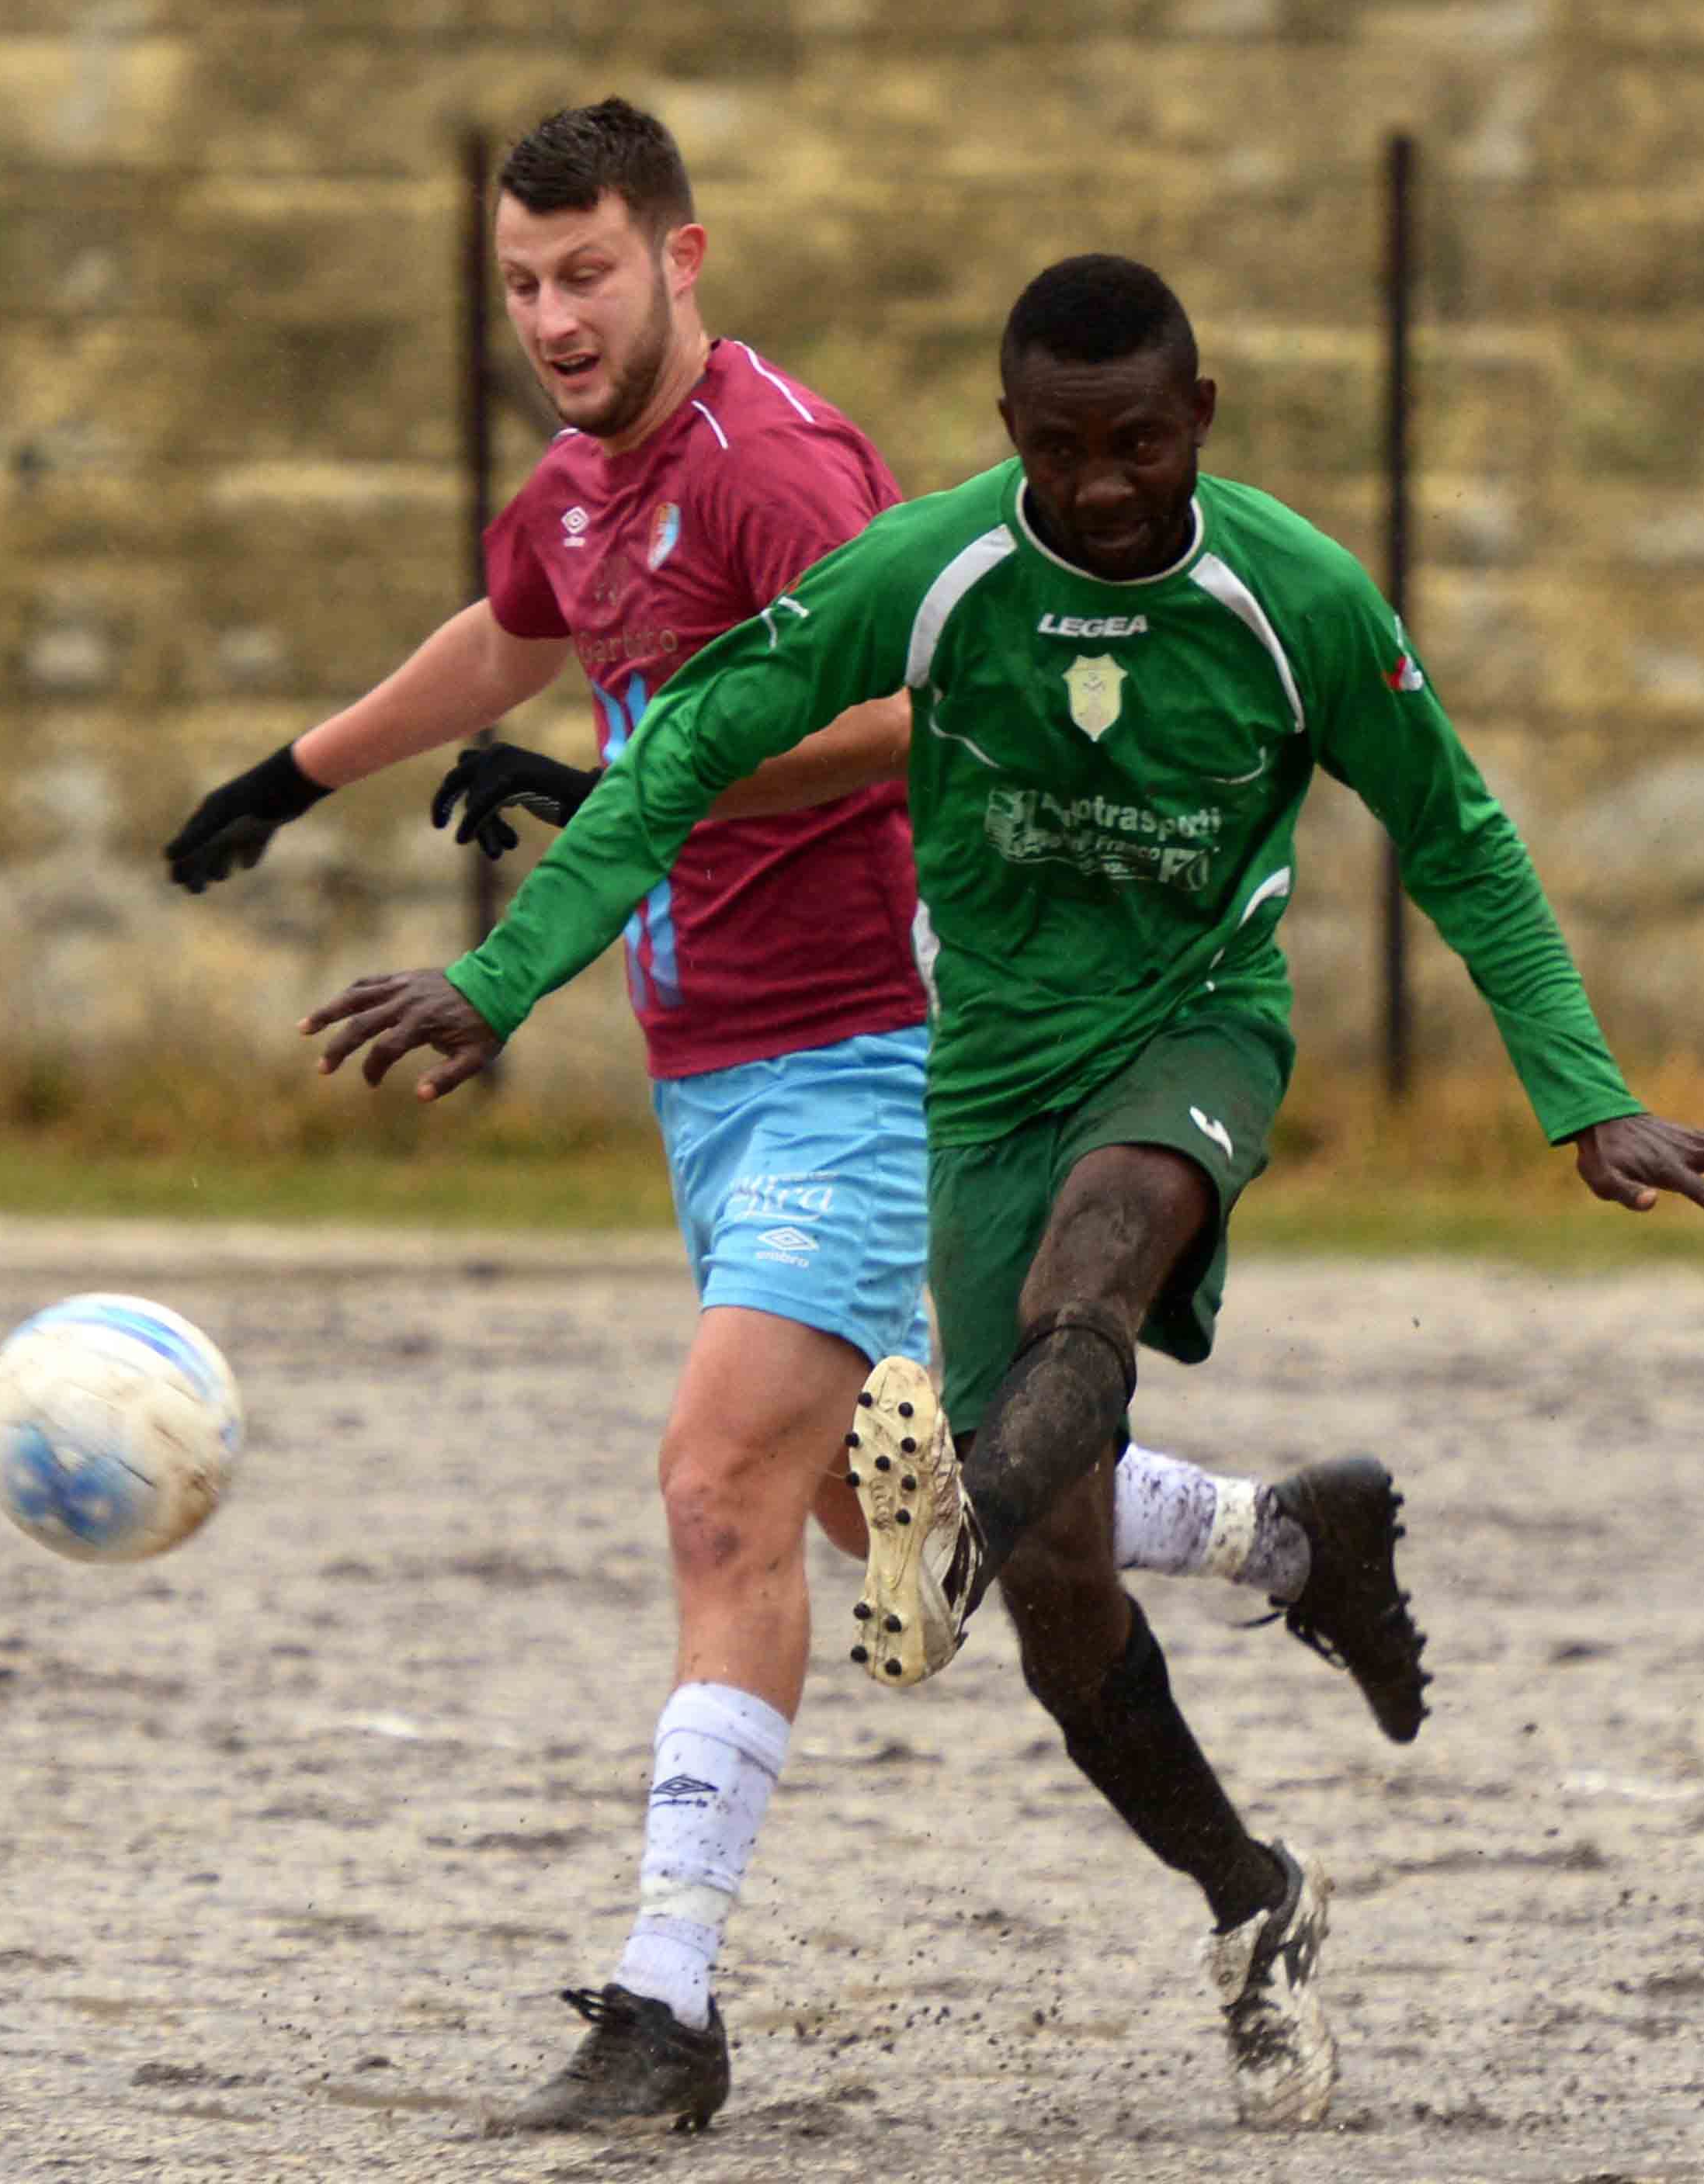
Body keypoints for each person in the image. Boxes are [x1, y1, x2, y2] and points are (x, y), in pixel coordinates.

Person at [304, 252, 1704, 2132]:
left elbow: (1459, 834)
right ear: (1008, 432)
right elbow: (685, 744)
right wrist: (503, 975)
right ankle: (1250, 1885)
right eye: (1063, 451)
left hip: (1193, 1031)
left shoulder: (1297, 597)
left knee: (1086, 1290)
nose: (1103, 488)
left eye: (1142, 447)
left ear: (1202, 420)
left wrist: (1585, 1096)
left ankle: (942, 1545)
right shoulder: (931, 571)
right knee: (1067, 1604)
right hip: (990, 1076)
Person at [169, 107, 1426, 2134]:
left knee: (718, 1487)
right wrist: (293, 772)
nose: (553, 318)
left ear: (681, 260)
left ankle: (665, 2007)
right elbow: (512, 633)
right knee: (879, 1513)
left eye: (589, 273)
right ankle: (1275, 1571)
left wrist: (641, 781)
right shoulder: (582, 485)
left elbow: (924, 702)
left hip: (868, 1042)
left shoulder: (776, 466)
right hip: (710, 1069)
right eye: (520, 283)